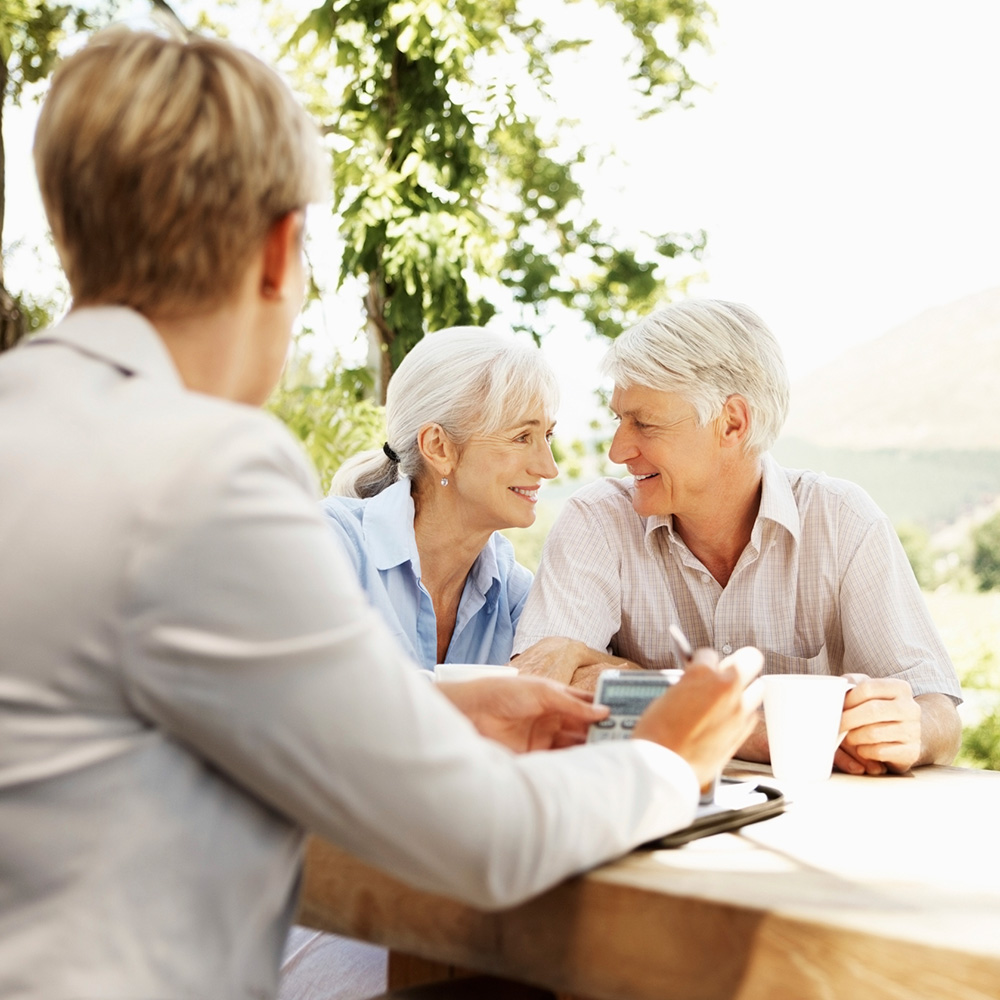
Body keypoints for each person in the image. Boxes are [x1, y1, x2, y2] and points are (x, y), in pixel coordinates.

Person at [0, 29, 763, 999]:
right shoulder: (206, 468)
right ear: (281, 251)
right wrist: (664, 760)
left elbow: (115, 707)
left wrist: (426, 706)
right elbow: (477, 839)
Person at [514, 299, 963, 776]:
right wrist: (773, 733)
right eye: (618, 420)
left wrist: (909, 729)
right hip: (651, 817)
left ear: (732, 423)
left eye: (644, 423)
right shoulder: (597, 521)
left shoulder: (842, 521)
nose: (618, 450)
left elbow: (938, 713)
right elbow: (551, 685)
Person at [323, 326, 568, 671]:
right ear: (438, 447)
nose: (549, 467)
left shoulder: (512, 590)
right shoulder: (331, 545)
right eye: (521, 437)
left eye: (548, 435)